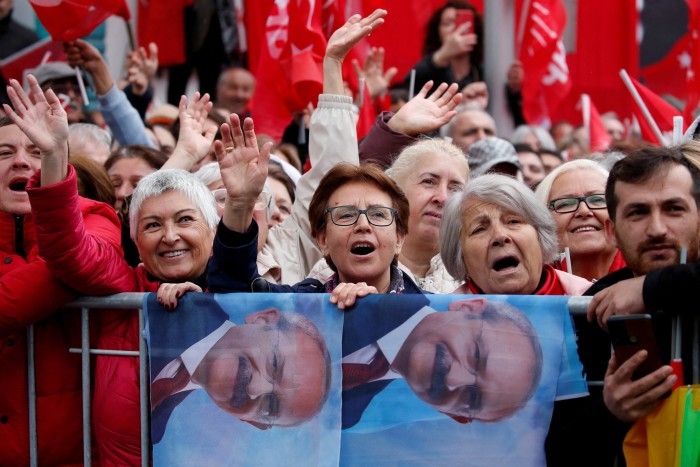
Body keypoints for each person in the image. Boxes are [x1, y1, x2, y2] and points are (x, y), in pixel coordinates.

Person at [4, 75, 223, 465]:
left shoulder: (243, 289)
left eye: (186, 220)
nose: (169, 236)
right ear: (135, 242)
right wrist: (53, 155)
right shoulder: (124, 284)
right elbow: (81, 245)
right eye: (152, 227)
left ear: (214, 228)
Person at [0, 109, 122, 464]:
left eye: (38, 151)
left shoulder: (94, 217)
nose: (21, 162)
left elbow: (75, 260)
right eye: (4, 153)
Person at [585, 144, 700, 418]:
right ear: (611, 231)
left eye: (674, 209)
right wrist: (610, 411)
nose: (657, 229)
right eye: (638, 212)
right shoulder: (593, 307)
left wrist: (652, 288)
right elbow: (560, 439)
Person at [148, 295, 331, 442]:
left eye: (271, 405)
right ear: (263, 319)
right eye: (274, 364)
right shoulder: (166, 303)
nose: (255, 388)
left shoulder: (154, 429)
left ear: (251, 422)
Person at [342, 296, 542, 428]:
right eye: (476, 355)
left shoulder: (347, 415)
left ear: (452, 414)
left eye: (472, 398)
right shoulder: (363, 291)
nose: (454, 379)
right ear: (467, 307)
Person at [440, 173, 592, 296]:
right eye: (479, 229)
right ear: (460, 257)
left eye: (513, 221)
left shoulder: (592, 304)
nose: (499, 236)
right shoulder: (439, 324)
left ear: (541, 238)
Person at [534, 159, 625, 282]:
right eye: (565, 204)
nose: (584, 211)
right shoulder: (530, 290)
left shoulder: (651, 277)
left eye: (598, 200)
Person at [405, 1, 483, 96]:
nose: (456, 29)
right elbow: (409, 86)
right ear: (437, 31)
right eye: (448, 23)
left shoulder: (483, 71)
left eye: (462, 23)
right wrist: (442, 55)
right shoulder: (428, 68)